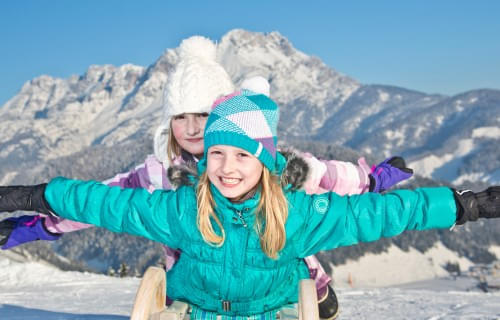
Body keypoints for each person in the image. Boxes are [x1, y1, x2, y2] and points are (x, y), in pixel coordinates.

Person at [0, 39, 410, 319]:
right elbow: (103, 203)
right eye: (181, 117)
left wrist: (370, 180)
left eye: (202, 115)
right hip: (199, 290)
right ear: (168, 123)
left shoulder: (264, 161)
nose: (193, 128)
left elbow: (325, 177)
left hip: (280, 281)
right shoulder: (157, 174)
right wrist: (40, 226)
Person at [0, 89, 499, 318]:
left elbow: (382, 213)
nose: (227, 166)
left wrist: (467, 205)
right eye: (216, 153)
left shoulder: (298, 215)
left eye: (242, 154)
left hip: (271, 312)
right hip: (194, 311)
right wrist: (34, 197)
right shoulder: (181, 209)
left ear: (266, 159)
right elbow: (108, 204)